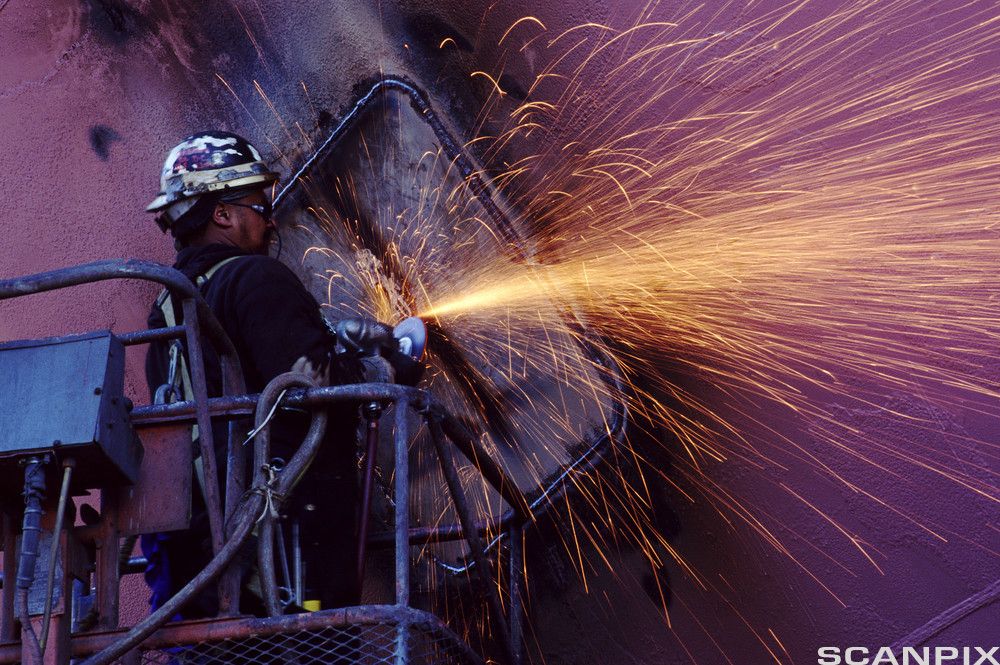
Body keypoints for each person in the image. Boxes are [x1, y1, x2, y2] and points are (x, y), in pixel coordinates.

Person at [142, 131, 364, 617]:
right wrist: (384, 363)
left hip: (211, 570)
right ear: (223, 214)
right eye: (259, 205)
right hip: (287, 562)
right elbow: (317, 389)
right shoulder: (254, 278)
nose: (270, 220)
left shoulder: (167, 310)